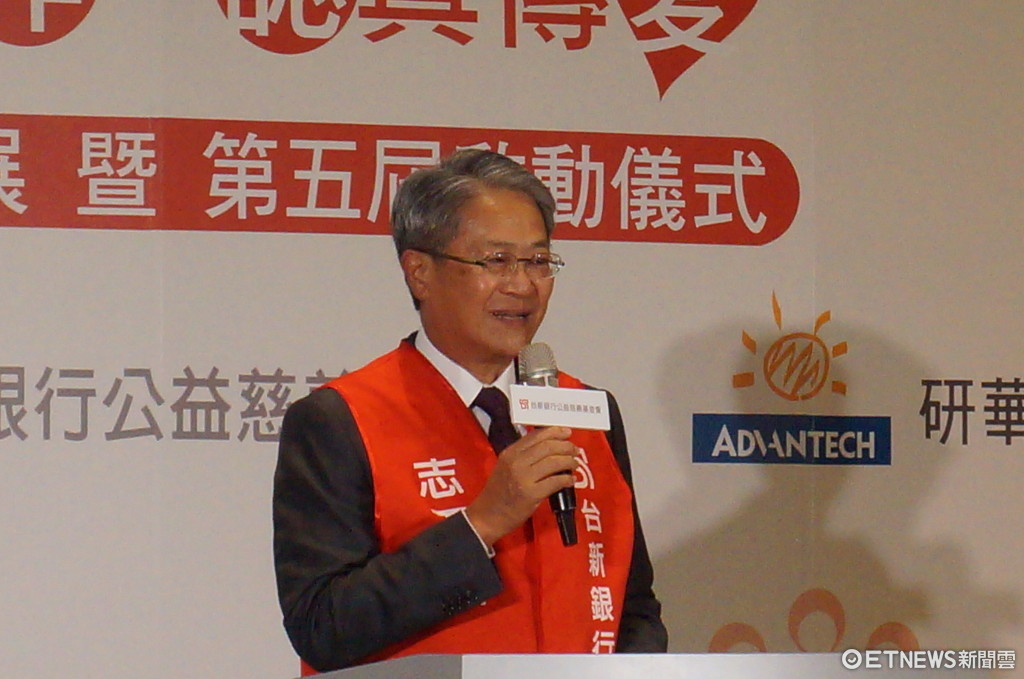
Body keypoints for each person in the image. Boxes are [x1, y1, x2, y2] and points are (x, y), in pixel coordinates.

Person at [273, 149, 667, 673]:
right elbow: (321, 626)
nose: (523, 286)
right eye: (496, 261)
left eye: (538, 261)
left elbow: (632, 604)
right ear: (419, 272)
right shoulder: (341, 419)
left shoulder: (588, 411)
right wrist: (482, 523)